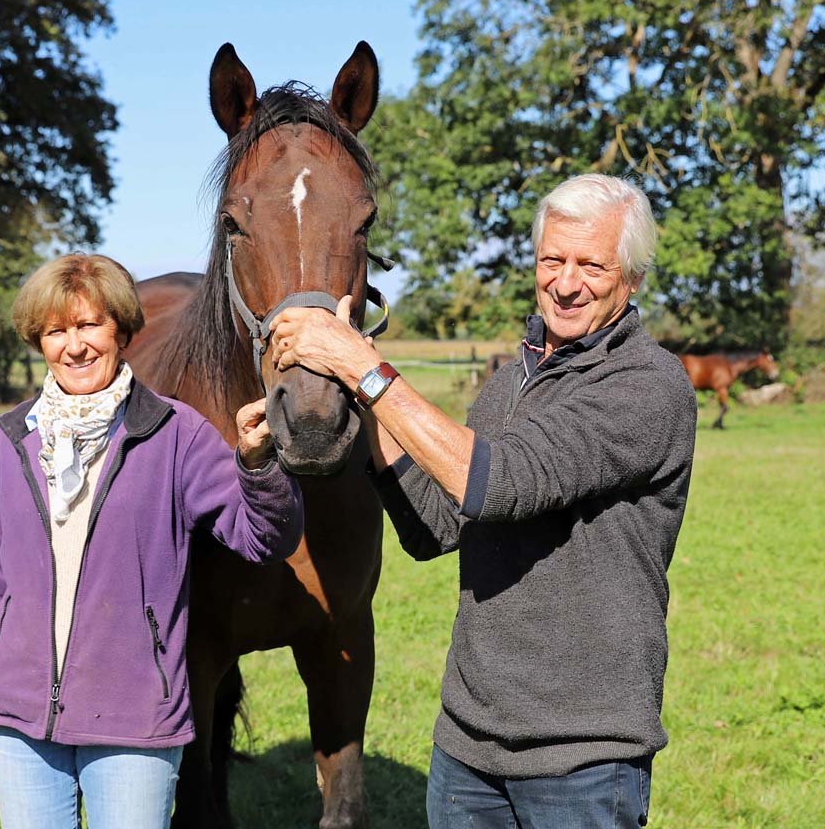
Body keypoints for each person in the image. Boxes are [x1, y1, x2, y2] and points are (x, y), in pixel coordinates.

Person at [269, 174, 696, 828]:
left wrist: (365, 369)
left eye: (592, 266)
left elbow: (498, 484)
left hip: (583, 758)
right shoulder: (507, 385)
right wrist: (364, 402)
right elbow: (434, 527)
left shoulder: (646, 386)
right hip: (466, 749)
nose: (566, 283)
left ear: (632, 279)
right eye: (552, 260)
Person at [0, 253, 304, 828]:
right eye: (55, 331)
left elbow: (264, 540)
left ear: (120, 330)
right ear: (38, 341)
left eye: (89, 325)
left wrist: (258, 464)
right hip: (18, 721)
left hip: (134, 721)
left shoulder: (175, 432)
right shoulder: (12, 440)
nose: (74, 346)